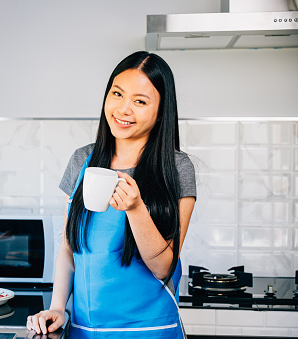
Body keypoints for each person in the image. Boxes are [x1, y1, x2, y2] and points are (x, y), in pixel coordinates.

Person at [26, 51, 196, 338]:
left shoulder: (177, 168)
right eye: (117, 94)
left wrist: (136, 209)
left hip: (150, 331)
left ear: (161, 112)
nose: (124, 109)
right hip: (84, 331)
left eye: (140, 101)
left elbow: (164, 267)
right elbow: (69, 247)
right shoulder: (83, 160)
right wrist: (58, 307)